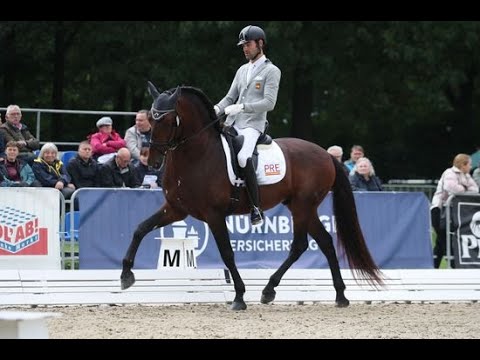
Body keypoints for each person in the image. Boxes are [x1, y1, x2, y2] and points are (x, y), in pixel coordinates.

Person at [213, 25, 281, 226]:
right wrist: (215, 109)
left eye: (248, 44)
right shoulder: (242, 70)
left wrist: (242, 107)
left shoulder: (271, 70)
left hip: (254, 125)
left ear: (260, 43)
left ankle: (256, 207)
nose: (245, 49)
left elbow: (269, 103)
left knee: (243, 156)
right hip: (234, 122)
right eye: (243, 45)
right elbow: (229, 97)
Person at [431, 153, 478, 268]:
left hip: (450, 210)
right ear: (463, 165)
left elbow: (475, 189)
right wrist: (465, 188)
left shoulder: (466, 175)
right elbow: (451, 188)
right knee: (443, 238)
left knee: (441, 241)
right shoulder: (449, 173)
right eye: (469, 164)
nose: (471, 167)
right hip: (439, 210)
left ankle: (433, 266)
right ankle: (452, 265)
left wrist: (461, 188)